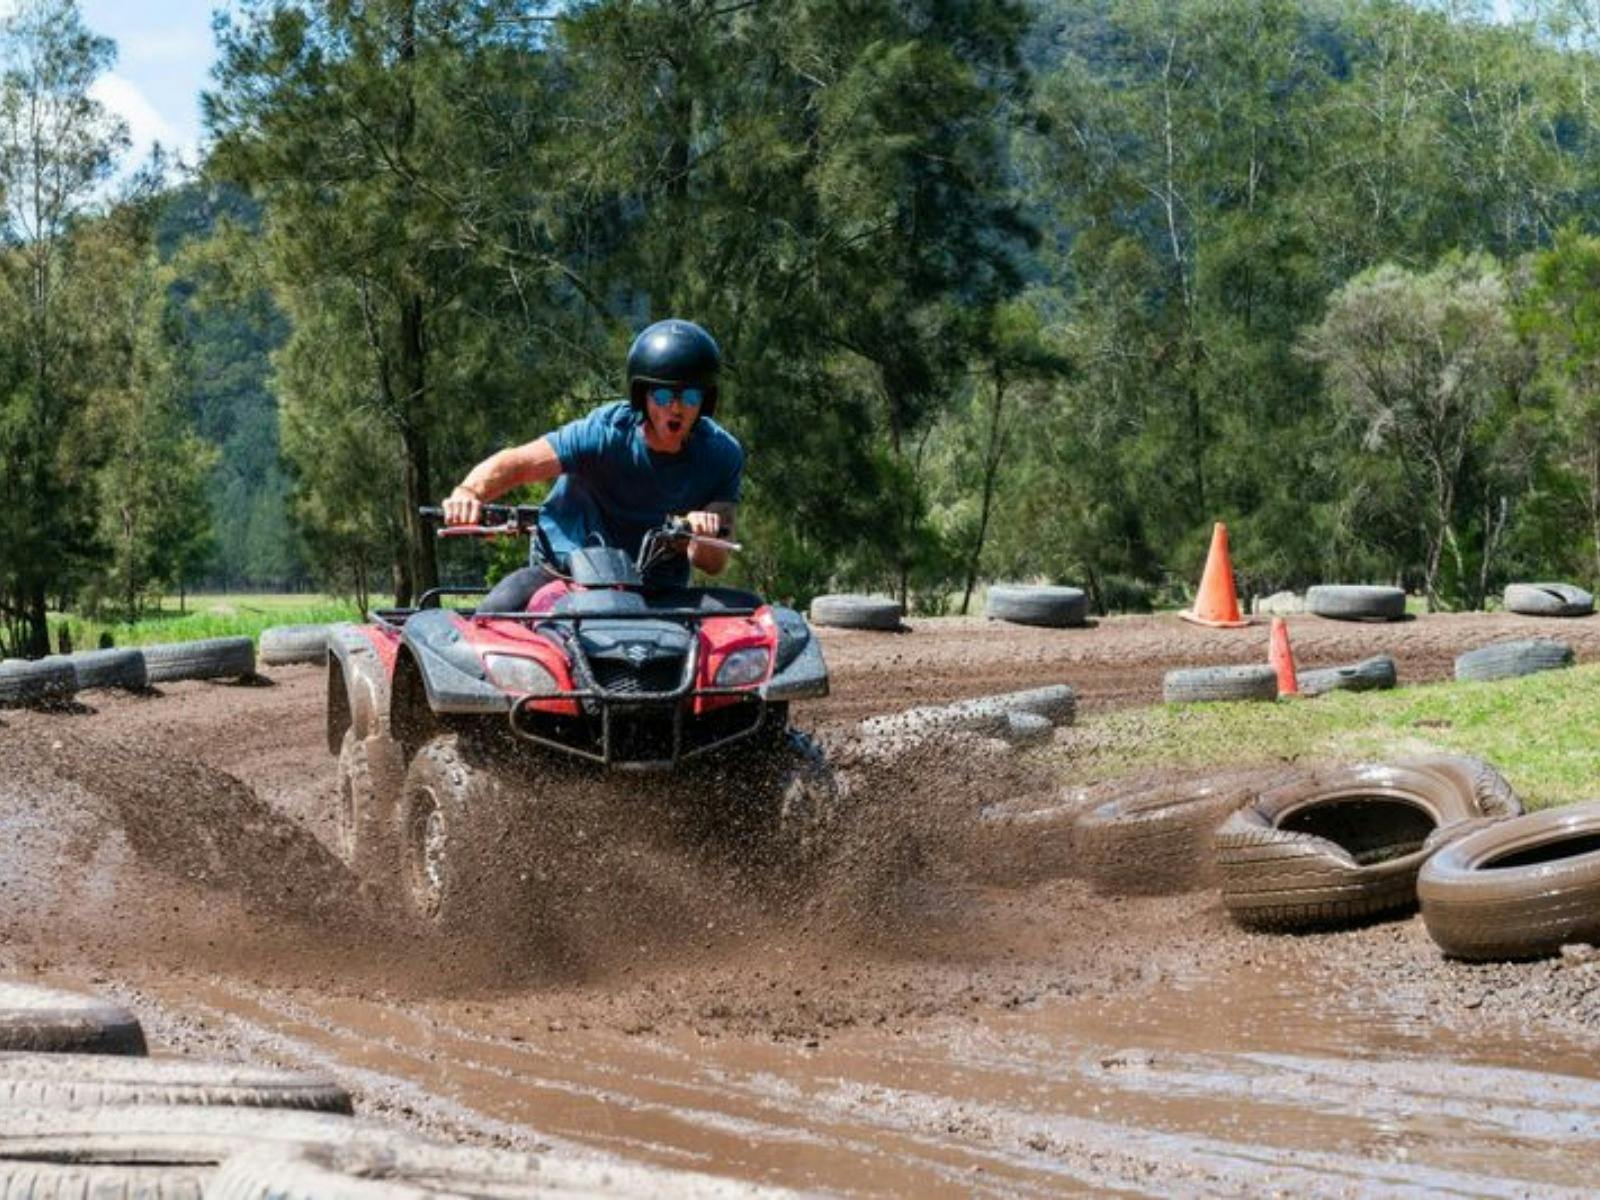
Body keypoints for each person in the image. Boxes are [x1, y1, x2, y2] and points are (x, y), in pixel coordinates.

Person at [442, 319, 743, 611]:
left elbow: (713, 564)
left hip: (657, 591)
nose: (676, 408)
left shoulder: (721, 455)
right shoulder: (604, 434)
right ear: (643, 396)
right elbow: (518, 463)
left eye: (690, 396)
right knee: (495, 613)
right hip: (566, 575)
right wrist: (469, 493)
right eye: (663, 395)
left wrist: (700, 535)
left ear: (706, 401)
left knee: (749, 616)